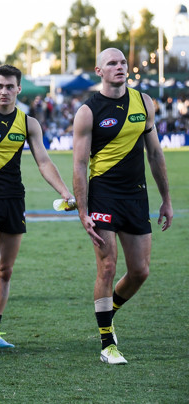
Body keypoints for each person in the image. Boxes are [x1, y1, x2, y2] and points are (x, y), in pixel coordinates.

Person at [0, 65, 73, 350]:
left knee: (6, 270)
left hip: (14, 200)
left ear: (19, 88)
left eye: (10, 86)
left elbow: (43, 161)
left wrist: (64, 190)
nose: (4, 91)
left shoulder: (28, 123)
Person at [72, 48, 173, 365]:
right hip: (103, 195)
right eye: (112, 63)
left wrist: (166, 199)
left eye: (122, 62)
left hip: (136, 196)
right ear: (99, 71)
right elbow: (78, 165)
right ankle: (107, 344)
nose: (120, 66)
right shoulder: (88, 112)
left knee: (140, 271)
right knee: (108, 266)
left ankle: (107, 312)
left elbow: (155, 154)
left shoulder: (144, 103)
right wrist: (83, 211)